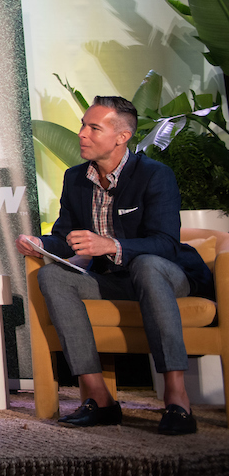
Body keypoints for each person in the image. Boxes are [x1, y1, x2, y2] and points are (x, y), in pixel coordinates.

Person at [16, 96, 212, 436]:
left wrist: (112, 245)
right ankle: (99, 397)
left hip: (168, 275)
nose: (82, 134)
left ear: (121, 137)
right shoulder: (76, 178)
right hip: (116, 280)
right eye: (83, 125)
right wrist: (42, 243)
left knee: (148, 265)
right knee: (52, 276)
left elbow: (166, 243)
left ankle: (176, 397)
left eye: (94, 127)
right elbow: (66, 237)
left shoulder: (155, 175)